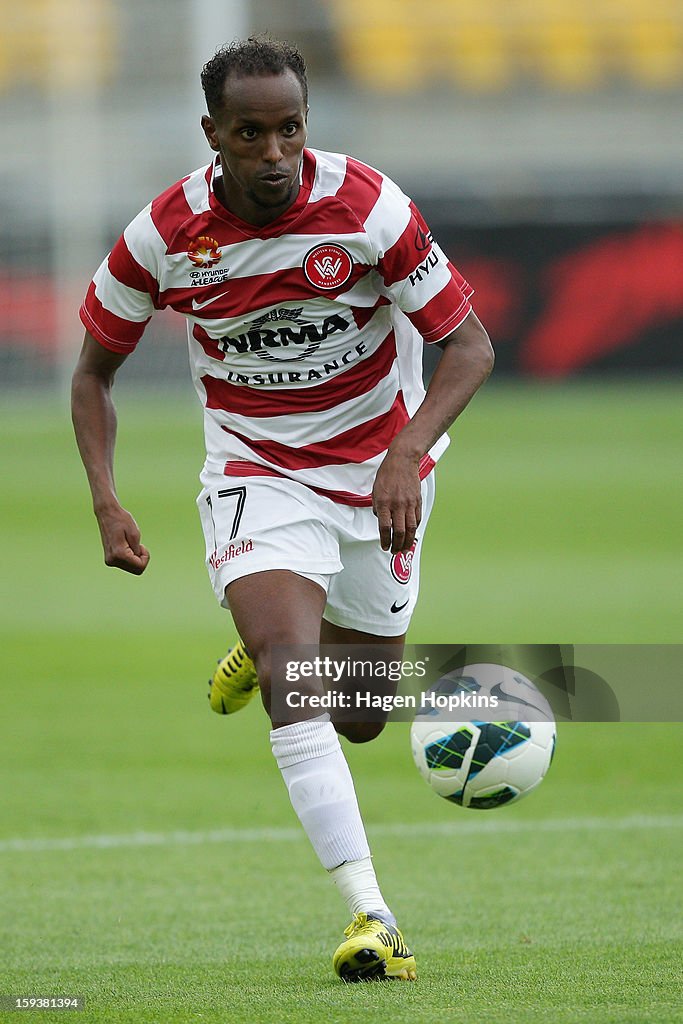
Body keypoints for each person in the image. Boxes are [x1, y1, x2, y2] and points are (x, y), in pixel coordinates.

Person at [71, 37, 494, 982]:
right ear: (213, 134)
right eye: (251, 133)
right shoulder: (162, 236)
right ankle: (370, 914)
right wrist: (105, 498)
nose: (274, 153)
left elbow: (468, 348)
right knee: (292, 679)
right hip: (256, 471)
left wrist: (404, 452)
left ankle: (270, 643)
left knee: (362, 713)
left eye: (290, 129)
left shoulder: (367, 208)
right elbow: (93, 374)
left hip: (378, 476)